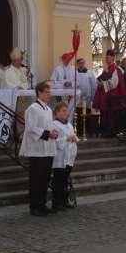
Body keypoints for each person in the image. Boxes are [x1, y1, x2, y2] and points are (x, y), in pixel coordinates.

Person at [19, 81, 58, 216]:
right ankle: (34, 206)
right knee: (36, 179)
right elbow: (31, 128)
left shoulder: (47, 109)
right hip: (37, 149)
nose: (49, 94)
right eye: (47, 92)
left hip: (47, 149)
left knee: (45, 178)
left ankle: (42, 204)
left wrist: (54, 132)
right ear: (40, 92)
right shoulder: (33, 108)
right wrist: (47, 134)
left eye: (49, 92)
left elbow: (49, 125)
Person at [93, 49, 126, 137]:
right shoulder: (107, 69)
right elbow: (100, 79)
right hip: (106, 97)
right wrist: (99, 82)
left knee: (110, 115)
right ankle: (105, 132)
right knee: (104, 114)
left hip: (112, 98)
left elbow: (114, 83)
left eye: (108, 58)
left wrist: (103, 84)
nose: (107, 59)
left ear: (113, 58)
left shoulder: (116, 69)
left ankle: (111, 133)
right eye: (106, 58)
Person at [51, 102, 78, 210]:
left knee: (65, 180)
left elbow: (73, 137)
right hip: (59, 158)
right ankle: (56, 203)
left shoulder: (69, 124)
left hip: (69, 157)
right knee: (58, 181)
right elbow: (53, 141)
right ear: (56, 112)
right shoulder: (54, 124)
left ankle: (64, 200)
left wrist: (74, 139)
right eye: (63, 110)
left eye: (66, 111)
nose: (66, 113)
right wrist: (66, 139)